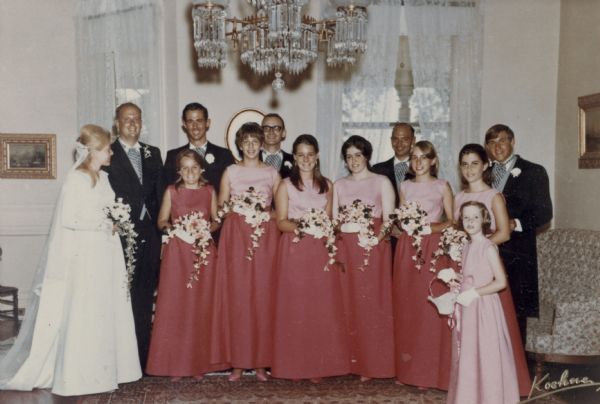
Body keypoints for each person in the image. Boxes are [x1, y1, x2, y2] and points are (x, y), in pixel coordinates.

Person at [0, 125, 141, 395]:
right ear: (93, 151)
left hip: (106, 252)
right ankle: (84, 373)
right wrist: (105, 222)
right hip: (87, 253)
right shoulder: (76, 179)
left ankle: (109, 369)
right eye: (107, 148)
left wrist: (116, 220)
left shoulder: (104, 178)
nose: (111, 152)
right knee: (88, 310)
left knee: (105, 308)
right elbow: (70, 219)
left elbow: (109, 208)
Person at [271, 135, 350, 383]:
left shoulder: (328, 184)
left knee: (319, 306)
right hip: (295, 250)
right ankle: (294, 365)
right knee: (296, 306)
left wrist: (324, 228)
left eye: (310, 154)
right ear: (294, 158)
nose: (305, 159)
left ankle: (317, 365)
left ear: (316, 156)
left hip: (320, 251)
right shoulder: (284, 185)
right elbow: (281, 221)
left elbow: (330, 220)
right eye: (300, 155)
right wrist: (304, 227)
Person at [454, 143, 530, 396]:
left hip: (486, 269)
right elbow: (458, 232)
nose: (469, 169)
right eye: (464, 164)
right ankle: (471, 388)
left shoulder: (494, 196)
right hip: (466, 265)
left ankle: (495, 388)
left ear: (485, 166)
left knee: (491, 337)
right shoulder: (459, 197)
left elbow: (504, 233)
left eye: (474, 163)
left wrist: (477, 247)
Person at [146, 150, 229, 380]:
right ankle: (175, 365)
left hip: (203, 253)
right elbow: (162, 220)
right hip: (178, 255)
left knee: (200, 307)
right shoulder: (172, 191)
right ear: (179, 171)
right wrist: (175, 230)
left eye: (194, 167)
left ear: (201, 169)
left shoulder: (209, 190)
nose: (190, 172)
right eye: (185, 168)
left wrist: (204, 229)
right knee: (177, 307)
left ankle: (198, 364)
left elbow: (215, 220)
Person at [214, 122, 281, 382]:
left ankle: (262, 362)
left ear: (262, 144)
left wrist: (262, 215)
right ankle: (238, 363)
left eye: (256, 141)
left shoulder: (272, 173)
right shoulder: (230, 171)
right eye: (246, 142)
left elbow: (280, 209)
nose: (251, 146)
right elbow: (220, 207)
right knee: (239, 297)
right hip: (236, 237)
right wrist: (238, 208)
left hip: (264, 237)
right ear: (239, 145)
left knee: (262, 297)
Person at [104, 102, 165, 372]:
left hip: (151, 235)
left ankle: (142, 360)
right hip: (121, 236)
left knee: (144, 297)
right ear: (117, 123)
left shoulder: (154, 153)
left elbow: (162, 195)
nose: (133, 123)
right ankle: (118, 360)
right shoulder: (109, 154)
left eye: (137, 119)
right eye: (127, 119)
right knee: (121, 296)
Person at [333, 135, 395, 382]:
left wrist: (375, 240)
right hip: (347, 248)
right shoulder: (338, 185)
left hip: (372, 249)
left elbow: (389, 221)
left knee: (372, 304)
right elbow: (335, 221)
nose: (354, 160)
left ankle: (373, 364)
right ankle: (349, 361)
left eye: (358, 155)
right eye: (349, 156)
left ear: (367, 156)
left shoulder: (381, 181)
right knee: (347, 303)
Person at [392, 140, 454, 389]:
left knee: (429, 308)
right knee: (408, 306)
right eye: (414, 157)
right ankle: (408, 370)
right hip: (408, 248)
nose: (418, 162)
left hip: (433, 248)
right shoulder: (404, 186)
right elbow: (399, 220)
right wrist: (402, 227)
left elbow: (452, 221)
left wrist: (429, 228)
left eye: (423, 157)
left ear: (433, 161)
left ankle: (428, 373)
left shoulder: (442, 186)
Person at [485, 124, 553, 343]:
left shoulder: (534, 171)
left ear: (512, 142)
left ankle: (518, 370)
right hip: (488, 250)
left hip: (518, 252)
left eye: (502, 140)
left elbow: (545, 213)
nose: (498, 146)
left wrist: (516, 223)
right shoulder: (483, 173)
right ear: (487, 147)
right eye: (492, 142)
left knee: (516, 313)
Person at [446, 201, 519, 404]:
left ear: (484, 220)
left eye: (475, 217)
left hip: (484, 308)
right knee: (469, 354)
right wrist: (453, 278)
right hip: (469, 309)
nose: (470, 221)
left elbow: (501, 282)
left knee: (486, 354)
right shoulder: (467, 245)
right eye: (466, 217)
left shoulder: (488, 247)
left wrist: (474, 293)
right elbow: (471, 275)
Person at [164, 103, 235, 193]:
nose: (195, 126)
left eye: (199, 121)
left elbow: (232, 191)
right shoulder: (173, 156)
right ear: (184, 124)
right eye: (190, 121)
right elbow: (167, 192)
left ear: (207, 123)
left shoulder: (224, 155)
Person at [372, 122, 416, 207]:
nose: (399, 143)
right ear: (391, 140)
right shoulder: (377, 170)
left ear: (413, 141)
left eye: (405, 139)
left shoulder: (421, 170)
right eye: (395, 139)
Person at [260, 113, 294, 178]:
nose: (271, 132)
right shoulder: (251, 160)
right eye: (266, 128)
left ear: (283, 133)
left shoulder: (294, 161)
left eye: (276, 128)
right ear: (261, 132)